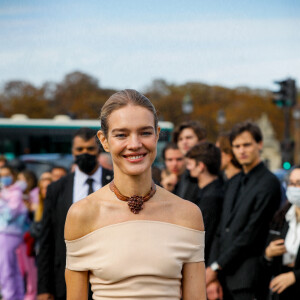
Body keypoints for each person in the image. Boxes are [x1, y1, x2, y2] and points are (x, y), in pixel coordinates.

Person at [64, 89, 206, 300]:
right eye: (121, 134)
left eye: (145, 133)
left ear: (157, 135)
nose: (134, 144)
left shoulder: (188, 215)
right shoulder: (82, 214)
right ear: (104, 140)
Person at [206, 121, 281, 300]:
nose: (241, 150)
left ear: (259, 144)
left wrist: (216, 267)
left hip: (249, 278)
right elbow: (220, 230)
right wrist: (213, 270)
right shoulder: (234, 182)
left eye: (247, 144)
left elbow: (251, 235)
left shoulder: (269, 183)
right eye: (237, 146)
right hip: (224, 276)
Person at [37, 127, 113, 300]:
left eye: (90, 149)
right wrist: (43, 288)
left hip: (107, 277)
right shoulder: (56, 189)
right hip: (65, 278)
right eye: (80, 149)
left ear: (98, 150)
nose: (84, 153)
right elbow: (47, 241)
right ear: (73, 152)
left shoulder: (115, 182)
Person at [261, 167, 300, 299]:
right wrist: (268, 254)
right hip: (282, 291)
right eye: (292, 183)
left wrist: (295, 276)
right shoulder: (281, 217)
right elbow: (265, 259)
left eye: (299, 183)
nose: (294, 188)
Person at [185, 142, 223, 263]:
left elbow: (203, 236)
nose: (188, 168)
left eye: (190, 164)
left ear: (201, 166)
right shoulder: (208, 191)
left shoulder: (211, 197)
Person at [0, 166, 27, 300]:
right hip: (7, 233)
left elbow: (10, 214)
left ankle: (9, 296)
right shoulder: (6, 191)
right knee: (13, 268)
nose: (4, 178)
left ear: (13, 175)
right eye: (1, 175)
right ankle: (16, 296)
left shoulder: (15, 192)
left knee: (6, 269)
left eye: (7, 174)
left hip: (9, 234)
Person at [172, 121, 206, 202]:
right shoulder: (184, 173)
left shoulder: (207, 168)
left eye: (189, 137)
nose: (184, 142)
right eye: (180, 139)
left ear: (201, 140)